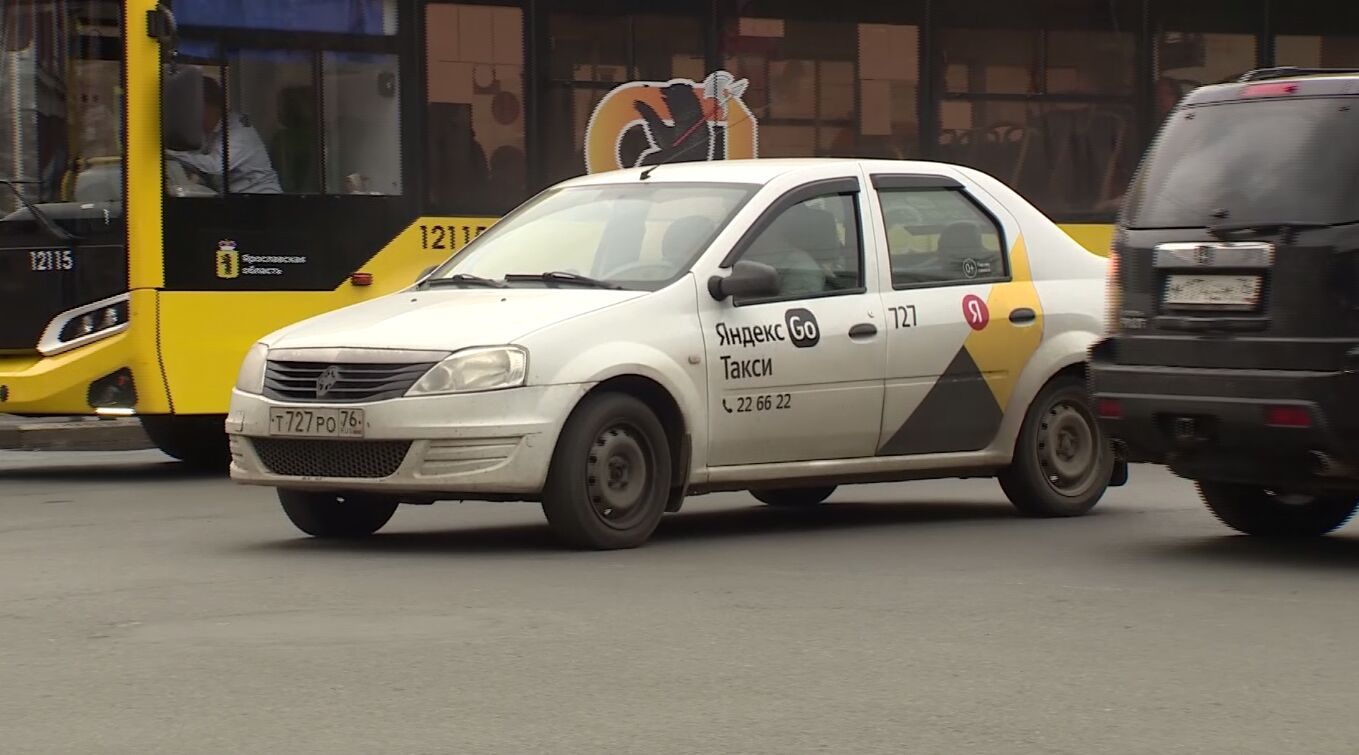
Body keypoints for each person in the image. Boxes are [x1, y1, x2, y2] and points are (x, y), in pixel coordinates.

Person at [166, 75, 282, 194]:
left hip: (260, 199)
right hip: (232, 198)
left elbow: (215, 166)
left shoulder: (239, 129)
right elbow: (199, 166)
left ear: (202, 105)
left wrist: (168, 152)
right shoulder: (204, 132)